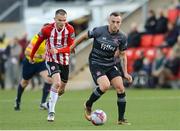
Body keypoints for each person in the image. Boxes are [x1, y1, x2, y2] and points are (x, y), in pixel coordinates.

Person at [52, 12, 133, 125]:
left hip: (110, 64)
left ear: (121, 23)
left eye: (118, 22)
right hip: (96, 62)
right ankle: (88, 104)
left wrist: (125, 72)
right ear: (109, 21)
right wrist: (72, 47)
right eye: (113, 22)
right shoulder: (99, 31)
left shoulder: (122, 37)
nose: (115, 24)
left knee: (120, 87)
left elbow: (123, 55)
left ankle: (121, 119)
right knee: (105, 86)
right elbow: (84, 37)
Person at [29, 9, 75, 122]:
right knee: (57, 83)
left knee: (62, 89)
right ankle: (51, 112)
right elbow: (38, 42)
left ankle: (50, 102)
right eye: (59, 20)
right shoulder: (47, 29)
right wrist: (32, 56)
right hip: (51, 60)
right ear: (54, 19)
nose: (62, 22)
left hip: (64, 60)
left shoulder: (70, 29)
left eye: (64, 20)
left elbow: (71, 47)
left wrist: (58, 51)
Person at [14, 25, 53, 111]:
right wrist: (40, 56)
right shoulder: (36, 38)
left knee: (49, 79)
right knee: (24, 83)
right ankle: (18, 100)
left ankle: (42, 103)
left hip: (40, 63)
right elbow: (27, 52)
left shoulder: (52, 39)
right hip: (29, 62)